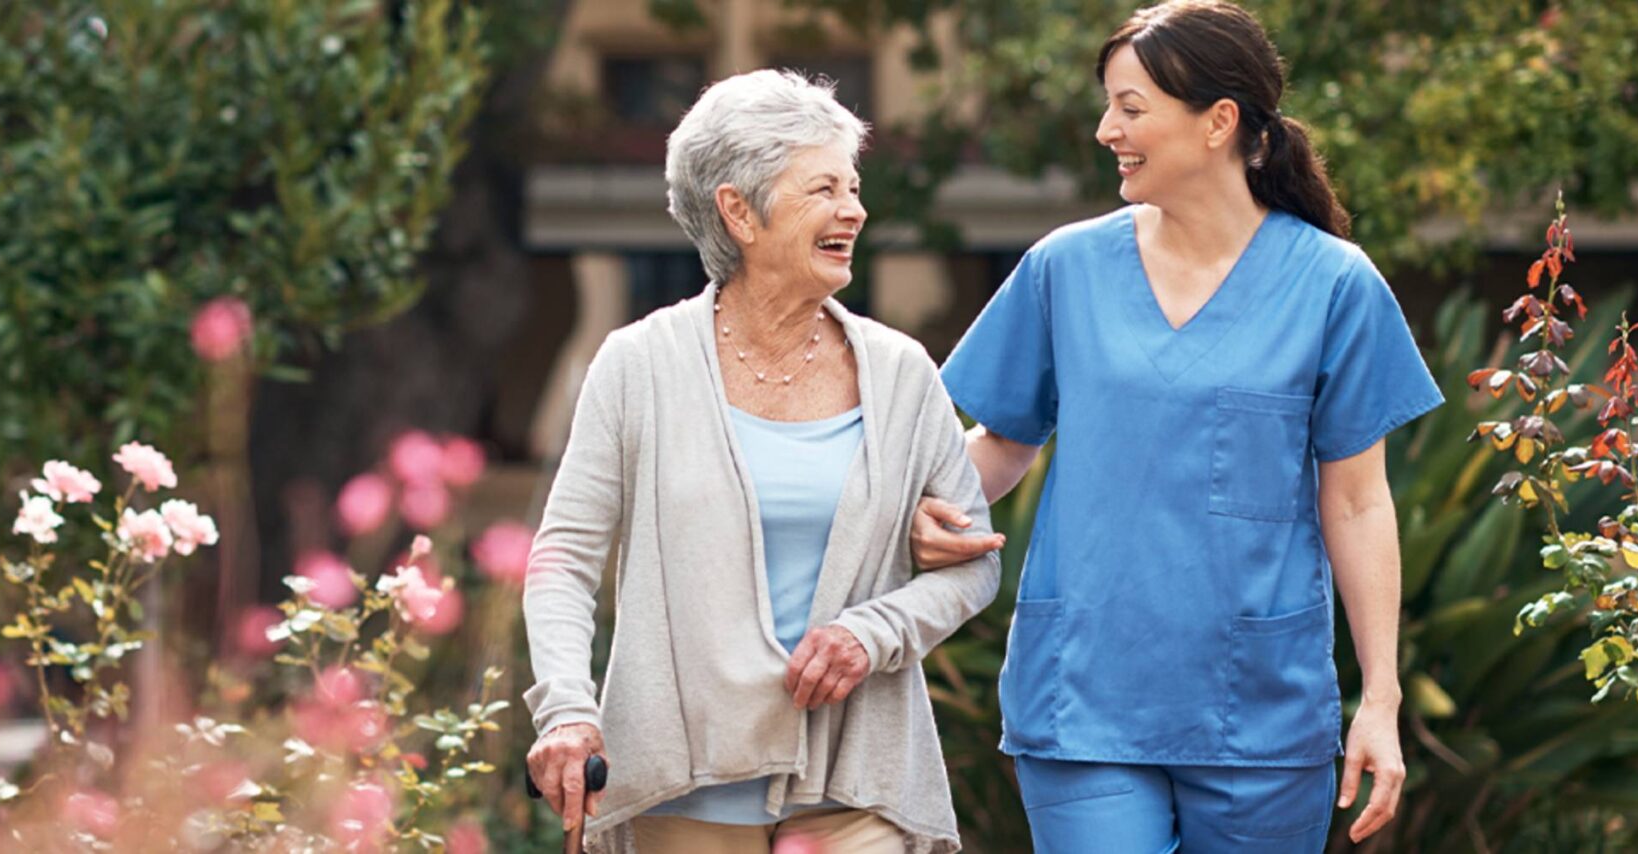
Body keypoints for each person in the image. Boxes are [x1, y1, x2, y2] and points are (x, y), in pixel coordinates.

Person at [910, 2, 1442, 850]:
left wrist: (1380, 698)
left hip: (1258, 710)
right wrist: (917, 511)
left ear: (1218, 123)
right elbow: (1003, 441)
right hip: (1084, 697)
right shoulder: (1064, 269)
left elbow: (1357, 503)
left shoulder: (1335, 285)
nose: (1104, 130)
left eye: (1130, 107)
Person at [522, 69, 1000, 854]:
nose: (854, 209)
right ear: (738, 211)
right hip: (685, 777)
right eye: (822, 189)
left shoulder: (901, 371)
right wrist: (567, 709)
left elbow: (972, 562)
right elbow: (563, 560)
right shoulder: (637, 364)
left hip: (854, 773)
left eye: (853, 186)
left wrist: (874, 631)